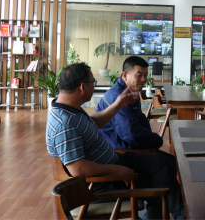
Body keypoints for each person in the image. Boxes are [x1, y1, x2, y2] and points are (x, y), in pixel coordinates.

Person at [46, 63, 184, 219]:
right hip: (100, 183)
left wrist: (117, 105)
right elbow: (78, 169)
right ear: (82, 87)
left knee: (163, 162)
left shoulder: (68, 108)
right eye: (93, 82)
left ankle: (179, 214)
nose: (94, 85)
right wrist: (116, 170)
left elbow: (93, 123)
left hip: (113, 161)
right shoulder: (65, 124)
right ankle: (182, 215)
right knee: (159, 183)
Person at [96, 56, 163, 150]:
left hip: (129, 145)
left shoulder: (130, 91)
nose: (144, 79)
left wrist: (150, 138)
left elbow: (141, 118)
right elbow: (131, 134)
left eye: (145, 75)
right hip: (118, 150)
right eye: (139, 75)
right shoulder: (118, 96)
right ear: (125, 75)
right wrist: (156, 140)